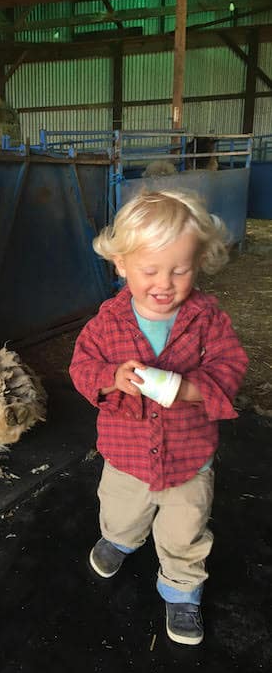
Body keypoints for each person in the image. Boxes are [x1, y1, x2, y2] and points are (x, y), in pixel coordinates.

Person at [69, 190, 248, 646]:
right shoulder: (106, 323)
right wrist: (111, 378)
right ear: (122, 264)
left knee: (185, 529)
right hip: (126, 454)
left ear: (199, 262)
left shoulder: (207, 319)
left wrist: (188, 389)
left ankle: (182, 587)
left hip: (189, 459)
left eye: (180, 270)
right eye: (150, 270)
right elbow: (82, 367)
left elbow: (230, 366)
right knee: (120, 507)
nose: (164, 283)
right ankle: (120, 538)